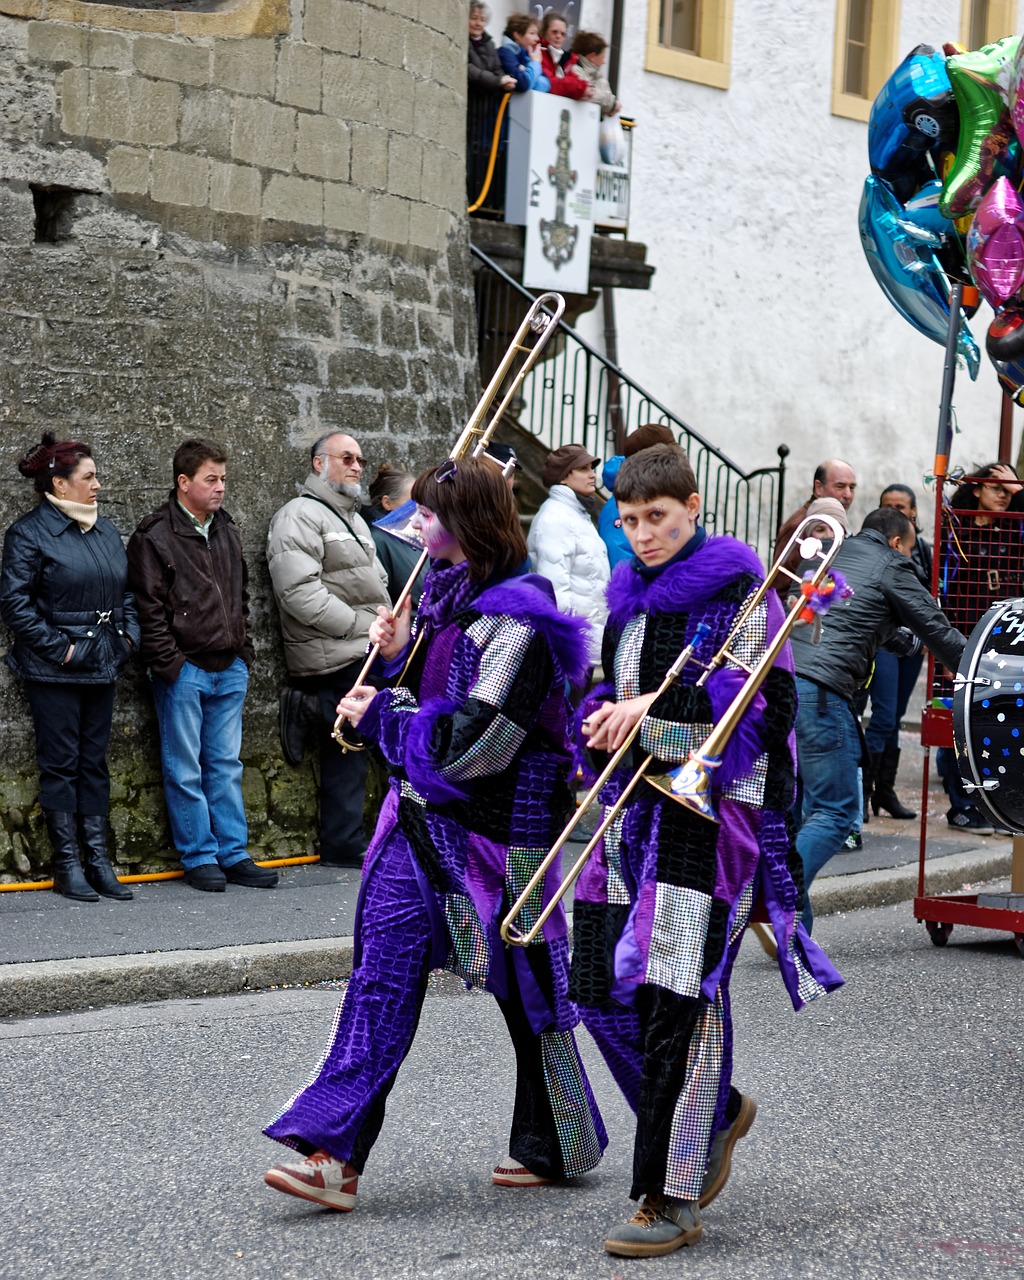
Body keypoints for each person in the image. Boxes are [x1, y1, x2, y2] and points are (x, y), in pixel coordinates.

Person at [263, 457, 607, 1210]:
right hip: (419, 827)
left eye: (427, 514)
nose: (414, 526)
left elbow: (476, 747)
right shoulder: (445, 602)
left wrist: (384, 715)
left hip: (498, 840)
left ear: (467, 525)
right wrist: (392, 666)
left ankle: (562, 1137)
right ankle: (333, 1153)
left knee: (532, 998)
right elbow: (429, 707)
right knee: (380, 979)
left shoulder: (519, 616)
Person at [569, 444, 842, 1258]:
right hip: (628, 818)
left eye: (657, 517)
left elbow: (764, 706)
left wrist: (650, 716)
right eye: (628, 520)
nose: (643, 534)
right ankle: (714, 1113)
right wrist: (599, 716)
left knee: (679, 1004)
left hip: (709, 825)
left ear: (692, 506)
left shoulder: (741, 591)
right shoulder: (627, 598)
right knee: (592, 984)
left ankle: (671, 1192)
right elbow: (610, 690)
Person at [791, 506, 965, 927]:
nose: (909, 556)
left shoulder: (832, 552)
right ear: (894, 542)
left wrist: (903, 642)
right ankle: (776, 894)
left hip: (780, 681)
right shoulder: (891, 564)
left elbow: (855, 618)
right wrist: (984, 671)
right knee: (836, 812)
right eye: (908, 548)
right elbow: (937, 629)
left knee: (796, 810)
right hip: (822, 691)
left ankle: (793, 926)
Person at [127, 439, 276, 893]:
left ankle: (233, 853)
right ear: (183, 482)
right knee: (184, 767)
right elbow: (147, 609)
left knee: (225, 764)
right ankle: (199, 855)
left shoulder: (226, 528)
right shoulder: (153, 536)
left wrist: (244, 651)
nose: (220, 487)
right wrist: (170, 665)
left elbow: (240, 595)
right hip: (185, 670)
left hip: (229, 666)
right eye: (211, 479)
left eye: (223, 479)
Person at [0, 432, 139, 902]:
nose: (97, 485)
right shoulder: (28, 533)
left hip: (102, 663)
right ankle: (67, 865)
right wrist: (62, 650)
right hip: (54, 670)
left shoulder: (103, 528)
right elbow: (15, 605)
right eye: (89, 477)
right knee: (60, 765)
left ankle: (98, 862)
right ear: (60, 485)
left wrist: (127, 638)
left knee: (93, 764)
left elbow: (126, 592)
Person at [267, 433, 391, 868]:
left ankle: (363, 834)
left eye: (359, 459)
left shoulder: (352, 519)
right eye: (346, 458)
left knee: (379, 734)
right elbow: (299, 593)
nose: (357, 466)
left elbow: (373, 582)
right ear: (319, 464)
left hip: (364, 645)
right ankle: (342, 841)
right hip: (335, 649)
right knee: (349, 746)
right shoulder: (299, 515)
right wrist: (365, 627)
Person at [936, 462, 1024, 832]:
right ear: (976, 490)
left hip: (1004, 649)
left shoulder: (1013, 531)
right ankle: (961, 806)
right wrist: (944, 651)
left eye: (1009, 491)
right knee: (954, 725)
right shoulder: (957, 534)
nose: (1003, 496)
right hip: (962, 642)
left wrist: (1020, 493)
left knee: (998, 724)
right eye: (996, 488)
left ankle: (998, 804)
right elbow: (941, 594)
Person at [863, 484, 934, 821]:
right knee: (884, 714)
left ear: (914, 512)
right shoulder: (872, 550)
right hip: (886, 642)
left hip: (914, 645)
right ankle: (864, 791)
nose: (895, 511)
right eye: (887, 505)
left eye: (901, 506)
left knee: (894, 716)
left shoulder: (923, 550)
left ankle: (884, 791)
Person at [527, 443, 610, 668]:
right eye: (583, 469)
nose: (592, 474)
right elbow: (555, 590)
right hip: (571, 649)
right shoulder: (556, 518)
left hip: (585, 642)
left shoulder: (575, 512)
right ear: (564, 477)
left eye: (592, 468)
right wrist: (569, 646)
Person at [772, 459, 857, 594]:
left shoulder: (829, 520)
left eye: (852, 488)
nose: (848, 495)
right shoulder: (801, 525)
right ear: (818, 488)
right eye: (840, 486)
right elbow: (781, 586)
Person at [599, 424, 677, 571]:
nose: (675, 463)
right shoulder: (623, 504)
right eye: (666, 459)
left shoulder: (659, 495)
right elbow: (620, 559)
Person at [362, 462, 427, 608]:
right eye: (412, 502)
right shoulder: (378, 540)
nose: (418, 508)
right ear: (387, 503)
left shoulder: (418, 535)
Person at [567, 31, 620, 115]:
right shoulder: (574, 70)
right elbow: (585, 95)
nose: (604, 62)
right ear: (592, 56)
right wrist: (611, 103)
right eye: (602, 57)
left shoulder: (600, 79)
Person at [538, 11, 588, 99]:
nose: (558, 36)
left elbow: (579, 82)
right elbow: (550, 84)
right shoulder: (538, 52)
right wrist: (579, 88)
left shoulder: (568, 59)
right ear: (544, 32)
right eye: (554, 32)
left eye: (562, 34)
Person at [498, 13, 550, 93]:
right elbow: (523, 84)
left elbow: (546, 85)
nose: (537, 38)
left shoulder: (526, 54)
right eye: (532, 33)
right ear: (517, 35)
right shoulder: (505, 53)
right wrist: (535, 63)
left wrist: (527, 71)